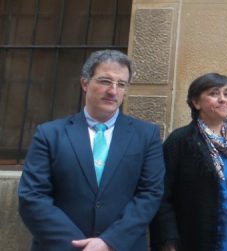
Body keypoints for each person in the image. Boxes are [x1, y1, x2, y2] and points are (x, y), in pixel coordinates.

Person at [18, 49, 164, 251]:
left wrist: (109, 242)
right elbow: (32, 196)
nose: (113, 91)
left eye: (121, 84)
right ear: (85, 83)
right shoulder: (50, 134)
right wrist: (80, 246)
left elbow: (150, 193)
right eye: (105, 81)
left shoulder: (146, 135)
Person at [149, 73, 227, 250]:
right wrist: (168, 240)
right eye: (214, 94)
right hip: (197, 236)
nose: (223, 99)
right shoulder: (181, 140)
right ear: (196, 102)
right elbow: (162, 195)